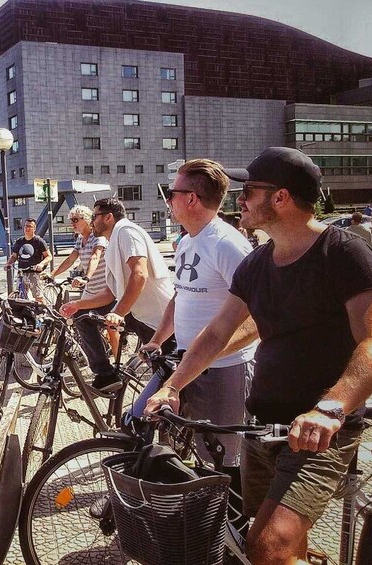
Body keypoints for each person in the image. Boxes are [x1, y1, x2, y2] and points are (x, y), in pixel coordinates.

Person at [144, 147, 372, 565]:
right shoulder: (257, 263)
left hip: (317, 433)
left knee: (269, 547)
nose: (239, 200)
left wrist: (331, 409)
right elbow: (219, 331)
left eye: (249, 191)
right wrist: (172, 385)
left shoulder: (342, 252)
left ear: (280, 198)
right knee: (266, 538)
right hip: (262, 426)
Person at [139, 159, 258, 497]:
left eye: (171, 193)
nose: (168, 200)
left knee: (223, 459)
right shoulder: (190, 240)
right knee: (142, 419)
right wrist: (157, 339)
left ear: (191, 198)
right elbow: (181, 295)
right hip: (186, 362)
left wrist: (205, 354)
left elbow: (257, 318)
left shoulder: (227, 244)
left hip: (223, 369)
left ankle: (229, 531)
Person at [60, 197, 174, 392]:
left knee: (166, 379)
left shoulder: (126, 231)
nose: (92, 220)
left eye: (94, 216)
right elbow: (110, 293)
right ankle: (106, 375)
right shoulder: (113, 240)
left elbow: (139, 274)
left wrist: (119, 313)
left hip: (160, 320)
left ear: (108, 217)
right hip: (139, 315)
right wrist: (79, 304)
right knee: (82, 317)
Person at [49, 205, 117, 356]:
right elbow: (71, 259)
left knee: (110, 327)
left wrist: (86, 277)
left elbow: (95, 256)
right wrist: (53, 273)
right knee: (80, 318)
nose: (72, 223)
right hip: (90, 289)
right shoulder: (80, 239)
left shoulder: (97, 236)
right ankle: (94, 354)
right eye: (71, 220)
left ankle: (117, 361)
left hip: (105, 289)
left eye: (75, 220)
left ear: (86, 220)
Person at [4, 218, 51, 302]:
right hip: (22, 273)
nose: (27, 228)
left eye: (29, 226)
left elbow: (49, 256)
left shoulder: (39, 241)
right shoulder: (19, 241)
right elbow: (14, 256)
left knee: (38, 297)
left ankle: (44, 312)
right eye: (25, 226)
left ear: (34, 228)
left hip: (34, 273)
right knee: (20, 298)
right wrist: (8, 264)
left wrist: (41, 264)